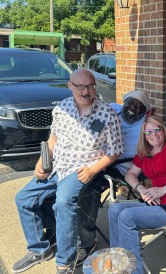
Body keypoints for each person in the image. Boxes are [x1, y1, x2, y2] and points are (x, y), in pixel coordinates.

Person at [13, 68, 124, 274]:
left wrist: (92, 170)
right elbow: (53, 140)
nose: (86, 91)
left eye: (90, 86)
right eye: (80, 86)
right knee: (23, 199)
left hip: (83, 167)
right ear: (70, 86)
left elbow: (115, 151)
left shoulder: (107, 113)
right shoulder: (61, 108)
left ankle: (65, 262)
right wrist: (41, 161)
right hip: (57, 166)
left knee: (63, 202)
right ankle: (39, 249)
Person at [40, 90, 152, 266]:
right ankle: (56, 228)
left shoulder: (146, 125)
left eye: (139, 107)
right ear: (124, 102)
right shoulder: (112, 109)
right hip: (90, 158)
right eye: (130, 102)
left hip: (117, 167)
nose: (132, 108)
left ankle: (86, 242)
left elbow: (164, 140)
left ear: (144, 111)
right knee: (51, 185)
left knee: (87, 190)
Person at [108, 116, 166, 274]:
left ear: (164, 130)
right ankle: (118, 262)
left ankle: (132, 270)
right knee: (114, 210)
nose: (153, 134)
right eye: (148, 131)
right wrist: (141, 189)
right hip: (155, 202)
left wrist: (163, 189)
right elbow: (130, 174)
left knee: (127, 216)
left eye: (157, 129)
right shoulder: (145, 152)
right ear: (144, 135)